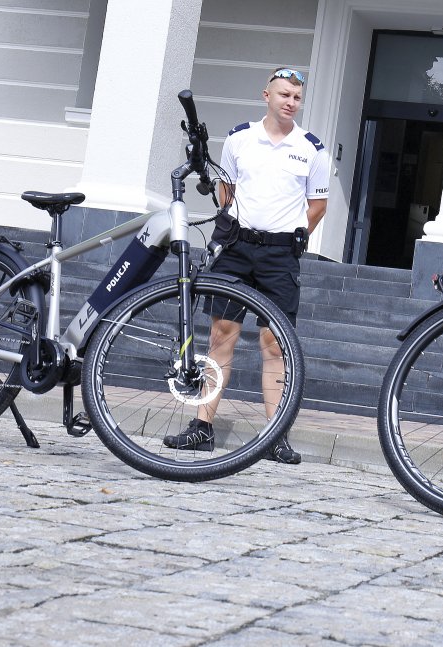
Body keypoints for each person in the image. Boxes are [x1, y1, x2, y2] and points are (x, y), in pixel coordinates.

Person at [163, 67, 330, 464]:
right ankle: (202, 428)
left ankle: (274, 435)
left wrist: (292, 236)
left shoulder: (312, 149)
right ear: (266, 96)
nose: (290, 102)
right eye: (284, 94)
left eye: (296, 97)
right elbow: (226, 190)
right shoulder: (239, 138)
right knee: (222, 335)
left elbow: (318, 205)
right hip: (236, 247)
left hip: (279, 255)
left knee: (275, 344)